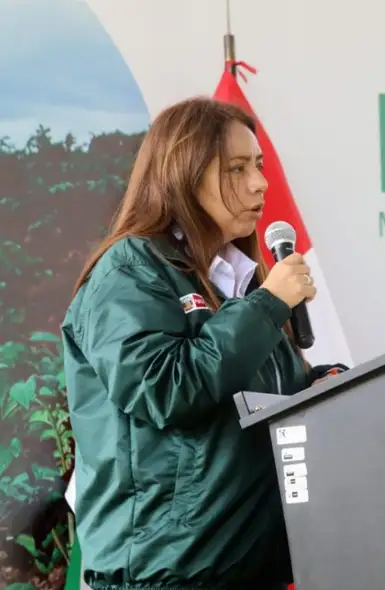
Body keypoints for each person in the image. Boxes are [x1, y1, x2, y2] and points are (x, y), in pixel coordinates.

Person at [62, 97, 330, 589]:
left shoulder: (245, 281)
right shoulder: (129, 271)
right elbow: (162, 388)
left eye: (259, 166)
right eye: (237, 169)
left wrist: (323, 384)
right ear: (184, 175)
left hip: (250, 568)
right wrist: (269, 307)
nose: (260, 183)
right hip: (163, 574)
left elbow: (249, 401)